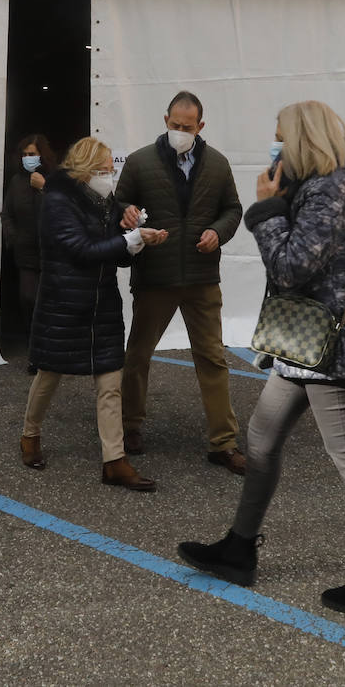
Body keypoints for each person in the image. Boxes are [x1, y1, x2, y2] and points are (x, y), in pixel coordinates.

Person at [178, 100, 345, 618]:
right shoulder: (324, 187)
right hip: (305, 347)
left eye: (280, 134)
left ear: (302, 140)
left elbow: (290, 267)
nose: (274, 142)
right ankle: (239, 548)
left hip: (329, 350)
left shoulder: (331, 191)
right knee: (261, 440)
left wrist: (264, 209)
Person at [19, 137, 168, 492]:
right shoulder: (58, 201)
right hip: (64, 304)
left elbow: (113, 255)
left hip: (101, 303)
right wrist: (128, 242)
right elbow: (80, 249)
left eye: (110, 168)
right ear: (84, 169)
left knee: (110, 384)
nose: (109, 174)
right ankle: (29, 435)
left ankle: (114, 461)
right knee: (49, 375)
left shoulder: (106, 202)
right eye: (103, 169)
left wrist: (136, 236)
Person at [115, 91, 246, 474]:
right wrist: (127, 212)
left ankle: (223, 443)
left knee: (213, 358)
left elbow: (233, 209)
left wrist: (218, 233)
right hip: (155, 276)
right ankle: (129, 427)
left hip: (202, 277)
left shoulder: (218, 164)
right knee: (138, 354)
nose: (180, 132)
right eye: (175, 125)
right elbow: (118, 203)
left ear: (200, 127)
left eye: (188, 127)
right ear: (166, 120)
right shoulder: (140, 162)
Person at [0, 133, 51, 353]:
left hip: (52, 252)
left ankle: (49, 347)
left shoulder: (56, 179)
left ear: (42, 156)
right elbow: (7, 213)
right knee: (28, 298)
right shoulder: (16, 181)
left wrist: (44, 187)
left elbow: (65, 208)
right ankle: (34, 346)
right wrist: (13, 236)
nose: (28, 158)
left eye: (32, 154)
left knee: (48, 301)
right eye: (25, 154)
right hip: (26, 252)